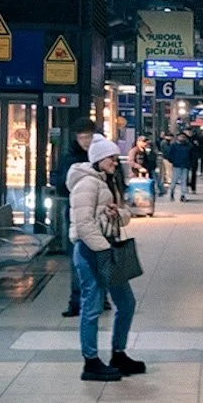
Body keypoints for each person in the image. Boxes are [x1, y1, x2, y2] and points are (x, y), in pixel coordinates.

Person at [68, 136, 145, 382]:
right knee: (92, 306)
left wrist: (116, 213)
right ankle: (90, 362)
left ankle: (118, 353)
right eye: (111, 158)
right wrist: (103, 250)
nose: (115, 161)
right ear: (99, 159)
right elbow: (83, 225)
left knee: (126, 302)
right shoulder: (86, 184)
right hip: (91, 251)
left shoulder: (105, 182)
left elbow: (123, 217)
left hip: (105, 248)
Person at [53, 117, 96, 318]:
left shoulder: (100, 156)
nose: (85, 141)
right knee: (77, 258)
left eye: (88, 137)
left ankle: (98, 296)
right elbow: (61, 185)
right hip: (76, 214)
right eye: (82, 137)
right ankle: (76, 300)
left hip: (97, 212)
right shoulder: (69, 158)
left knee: (99, 256)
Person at [167, 132, 191, 200]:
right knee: (174, 180)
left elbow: (191, 155)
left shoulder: (188, 146)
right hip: (177, 165)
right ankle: (172, 191)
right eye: (181, 137)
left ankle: (183, 195)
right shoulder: (174, 146)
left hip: (185, 165)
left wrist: (189, 163)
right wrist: (173, 161)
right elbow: (170, 155)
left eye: (183, 137)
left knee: (184, 180)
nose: (182, 138)